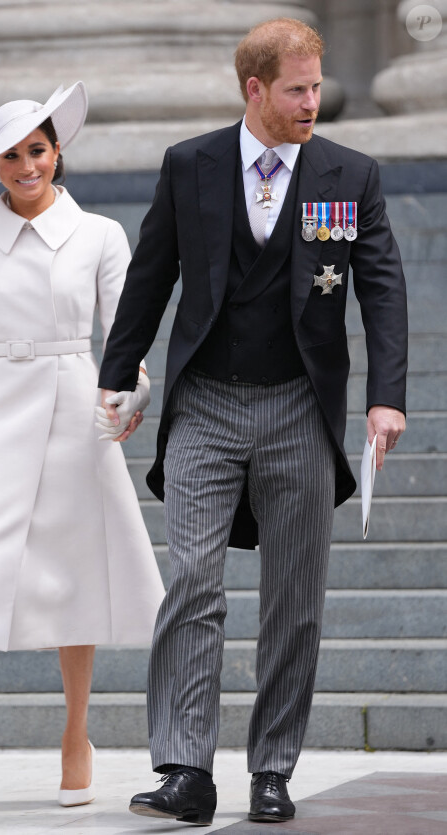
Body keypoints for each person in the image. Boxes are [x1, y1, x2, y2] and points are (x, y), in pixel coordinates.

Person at [97, 18, 407, 825]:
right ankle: (184, 769)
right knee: (193, 579)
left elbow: (382, 287)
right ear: (255, 89)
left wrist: (387, 393)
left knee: (294, 598)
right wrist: (116, 372)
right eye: (298, 89)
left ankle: (272, 769)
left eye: (317, 86)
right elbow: (151, 270)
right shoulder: (190, 164)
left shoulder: (350, 174)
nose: (314, 102)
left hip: (300, 405)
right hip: (204, 401)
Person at [0, 80, 164, 817]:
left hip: (73, 409)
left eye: (38, 150)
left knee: (70, 574)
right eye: (11, 156)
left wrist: (133, 390)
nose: (26, 166)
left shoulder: (101, 235)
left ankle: (76, 735)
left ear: (58, 151)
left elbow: (126, 337)